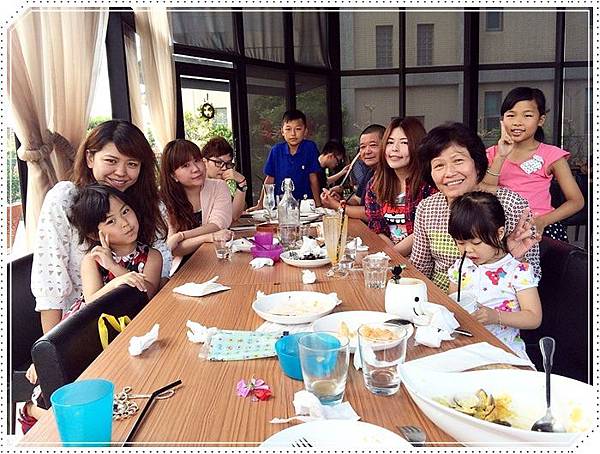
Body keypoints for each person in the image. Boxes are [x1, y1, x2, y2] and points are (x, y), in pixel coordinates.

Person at [25, 118, 170, 432]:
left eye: (132, 164)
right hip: (82, 328)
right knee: (79, 418)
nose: (122, 172)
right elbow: (52, 286)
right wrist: (51, 352)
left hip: (132, 326)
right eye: (111, 161)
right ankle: (30, 412)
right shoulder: (65, 199)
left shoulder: (145, 203)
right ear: (90, 158)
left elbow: (157, 277)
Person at [410, 122, 541, 292]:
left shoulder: (510, 204)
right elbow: (420, 268)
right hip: (438, 300)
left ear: (477, 165)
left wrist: (513, 257)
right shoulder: (427, 209)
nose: (449, 173)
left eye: (458, 160)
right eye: (439, 165)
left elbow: (534, 274)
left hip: (494, 304)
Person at [447, 191, 542, 359]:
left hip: (504, 351)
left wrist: (495, 316)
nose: (468, 249)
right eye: (460, 243)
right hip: (465, 346)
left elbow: (534, 318)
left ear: (499, 233)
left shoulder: (518, 271)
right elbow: (453, 303)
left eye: (476, 242)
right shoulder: (461, 267)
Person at [483, 87, 584, 242]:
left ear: (540, 120)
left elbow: (576, 201)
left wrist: (542, 221)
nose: (517, 122)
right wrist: (500, 157)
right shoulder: (491, 154)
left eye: (527, 115)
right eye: (511, 115)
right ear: (502, 120)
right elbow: (484, 194)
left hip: (540, 230)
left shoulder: (551, 155)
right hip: (498, 230)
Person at [65, 184, 162, 315]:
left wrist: (114, 267)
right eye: (111, 221)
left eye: (125, 211)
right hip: (95, 321)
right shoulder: (93, 259)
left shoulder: (152, 256)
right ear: (94, 234)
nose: (125, 223)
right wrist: (116, 283)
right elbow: (91, 302)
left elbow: (148, 294)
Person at [364, 117, 436, 256]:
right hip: (389, 255)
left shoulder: (430, 185)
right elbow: (377, 227)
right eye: (390, 142)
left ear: (418, 146)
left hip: (421, 259)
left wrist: (391, 255)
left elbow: (425, 230)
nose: (394, 149)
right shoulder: (375, 184)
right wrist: (391, 256)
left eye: (404, 142)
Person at [159, 139, 232, 267]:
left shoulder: (218, 187)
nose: (196, 169)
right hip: (179, 268)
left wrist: (181, 236)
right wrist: (208, 237)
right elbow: (173, 249)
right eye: (185, 165)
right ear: (173, 175)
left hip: (213, 259)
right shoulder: (163, 199)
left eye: (197, 160)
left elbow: (217, 225)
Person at [250, 109, 321, 209]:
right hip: (281, 206)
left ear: (305, 131)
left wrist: (318, 205)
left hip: (305, 206)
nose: (293, 134)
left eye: (298, 129)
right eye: (288, 129)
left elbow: (313, 178)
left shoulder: (310, 148)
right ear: (282, 131)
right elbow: (269, 180)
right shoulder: (276, 151)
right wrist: (260, 204)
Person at [320, 124, 385, 220]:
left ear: (386, 146)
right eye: (363, 147)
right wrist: (340, 200)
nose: (367, 151)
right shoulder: (370, 173)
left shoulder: (389, 176)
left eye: (373, 145)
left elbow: (372, 213)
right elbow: (357, 200)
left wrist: (337, 206)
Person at [202, 137, 247, 221]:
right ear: (204, 162)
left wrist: (242, 183)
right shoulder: (196, 185)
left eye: (228, 164)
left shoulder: (221, 185)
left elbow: (233, 216)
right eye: (218, 163)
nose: (224, 168)